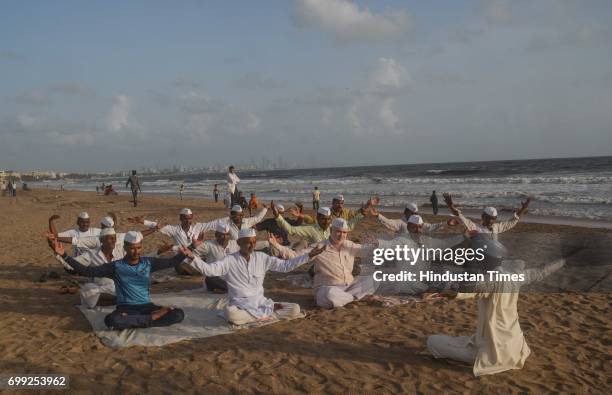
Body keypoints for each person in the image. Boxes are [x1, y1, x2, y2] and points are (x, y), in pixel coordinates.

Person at [426, 236, 573, 376]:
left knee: (432, 341)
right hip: (516, 347)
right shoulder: (515, 276)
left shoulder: (489, 280)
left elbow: (466, 288)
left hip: (492, 351)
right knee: (466, 340)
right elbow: (541, 272)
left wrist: (442, 289)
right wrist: (564, 260)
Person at [184, 228, 324, 325]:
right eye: (248, 242)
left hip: (261, 303)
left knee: (295, 309)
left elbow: (285, 266)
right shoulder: (229, 260)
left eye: (254, 242)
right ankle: (266, 314)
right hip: (240, 305)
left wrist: (308, 256)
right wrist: (192, 258)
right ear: (239, 243)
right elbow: (209, 270)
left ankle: (261, 314)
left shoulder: (262, 257)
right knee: (231, 314)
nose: (251, 245)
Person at [50, 231, 187, 330]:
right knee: (111, 320)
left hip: (147, 307)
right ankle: (153, 319)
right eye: (132, 248)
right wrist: (65, 256)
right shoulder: (116, 266)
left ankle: (146, 319)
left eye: (139, 248)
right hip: (125, 308)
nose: (136, 251)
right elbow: (88, 271)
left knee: (178, 314)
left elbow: (171, 262)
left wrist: (190, 249)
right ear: (125, 248)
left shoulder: (148, 263)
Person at [50, 228, 123, 308]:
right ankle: (119, 301)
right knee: (87, 289)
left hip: (120, 286)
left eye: (115, 238)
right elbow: (72, 265)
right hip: (101, 287)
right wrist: (60, 254)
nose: (114, 241)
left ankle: (118, 300)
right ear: (102, 240)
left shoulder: (120, 251)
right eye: (111, 238)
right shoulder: (92, 254)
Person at [443, 193, 532, 240]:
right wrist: (451, 206)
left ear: (495, 219)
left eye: (492, 219)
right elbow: (460, 217)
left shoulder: (497, 227)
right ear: (482, 216)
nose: (490, 221)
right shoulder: (475, 227)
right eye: (487, 217)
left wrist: (523, 208)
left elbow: (512, 221)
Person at [372, 202, 457, 234]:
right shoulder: (401, 222)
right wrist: (378, 215)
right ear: (407, 212)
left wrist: (446, 223)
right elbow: (388, 222)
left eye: (416, 213)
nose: (415, 215)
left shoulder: (418, 220)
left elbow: (430, 227)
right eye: (413, 213)